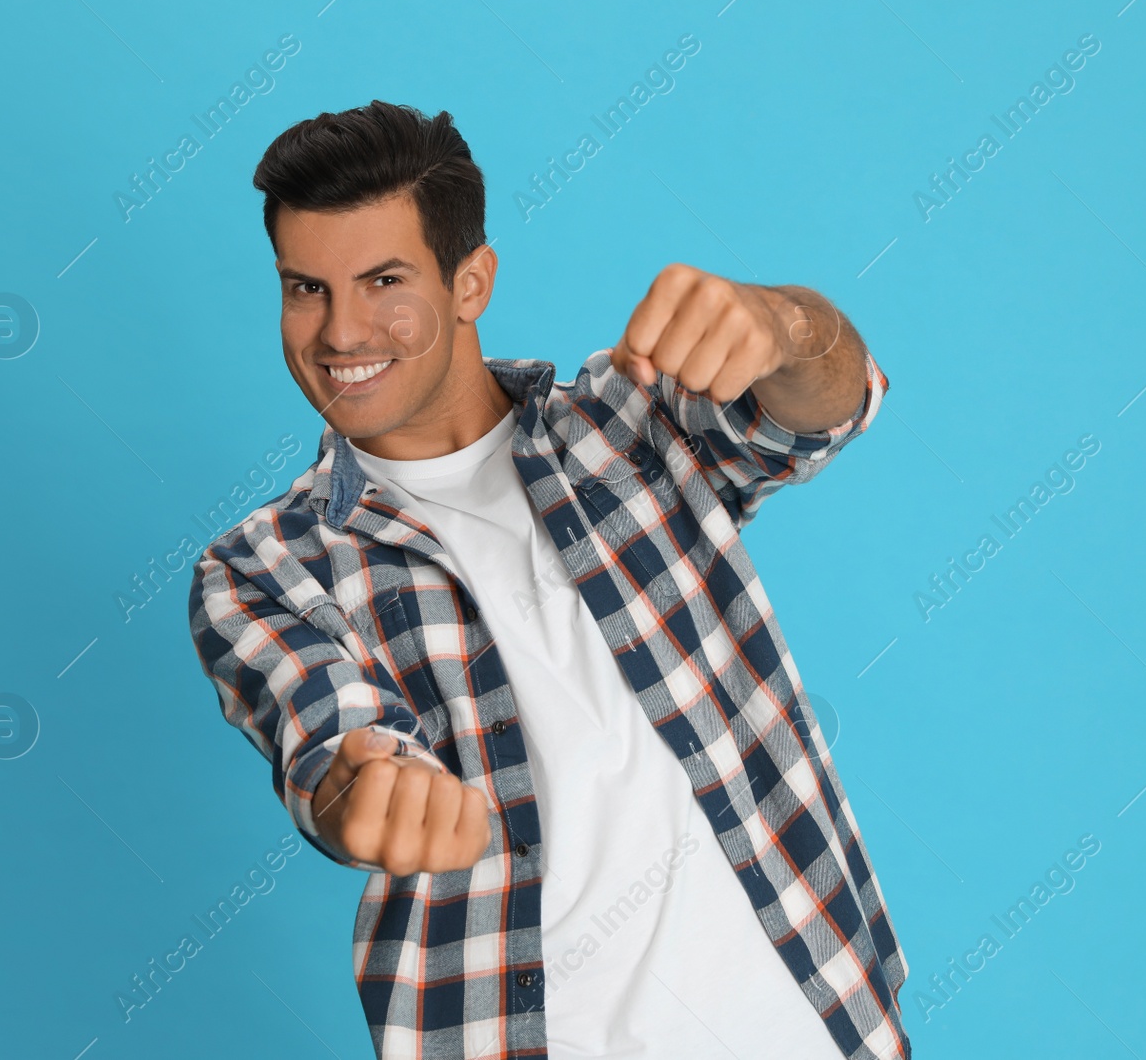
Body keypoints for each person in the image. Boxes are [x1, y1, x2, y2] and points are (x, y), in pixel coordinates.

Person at [187, 99, 910, 1060]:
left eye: (385, 279)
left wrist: (780, 325)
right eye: (305, 287)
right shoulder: (263, 567)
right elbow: (330, 744)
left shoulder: (630, 422)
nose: (339, 330)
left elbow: (831, 405)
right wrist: (362, 791)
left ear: (471, 281)